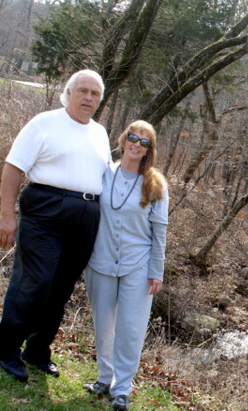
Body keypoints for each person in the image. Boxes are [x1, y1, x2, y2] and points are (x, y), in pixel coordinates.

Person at [0, 69, 111, 383]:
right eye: (83, 91)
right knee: (35, 281)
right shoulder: (44, 123)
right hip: (45, 211)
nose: (88, 98)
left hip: (86, 218)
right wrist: (6, 216)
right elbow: (12, 168)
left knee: (60, 289)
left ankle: (37, 350)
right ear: (69, 92)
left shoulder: (100, 133)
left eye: (95, 94)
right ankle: (6, 348)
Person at [83, 120, 168, 411]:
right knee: (103, 326)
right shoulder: (103, 172)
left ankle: (122, 390)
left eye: (144, 141)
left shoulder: (155, 184)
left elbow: (160, 232)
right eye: (133, 137)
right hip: (100, 261)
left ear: (148, 150)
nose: (137, 143)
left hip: (138, 267)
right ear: (123, 139)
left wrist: (156, 271)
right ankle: (104, 379)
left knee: (130, 329)